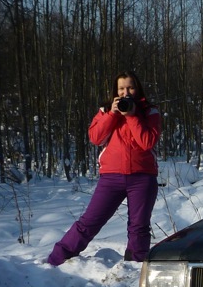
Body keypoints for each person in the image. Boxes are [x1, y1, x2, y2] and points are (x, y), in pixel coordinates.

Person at [48, 71, 161, 266]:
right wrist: (112, 114)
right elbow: (96, 138)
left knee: (139, 227)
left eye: (130, 87)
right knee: (89, 222)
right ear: (115, 91)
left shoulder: (149, 112)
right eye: (121, 88)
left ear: (138, 88)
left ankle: (134, 268)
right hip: (111, 177)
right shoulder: (105, 111)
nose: (126, 92)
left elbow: (147, 142)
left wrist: (132, 116)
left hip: (142, 178)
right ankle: (55, 260)